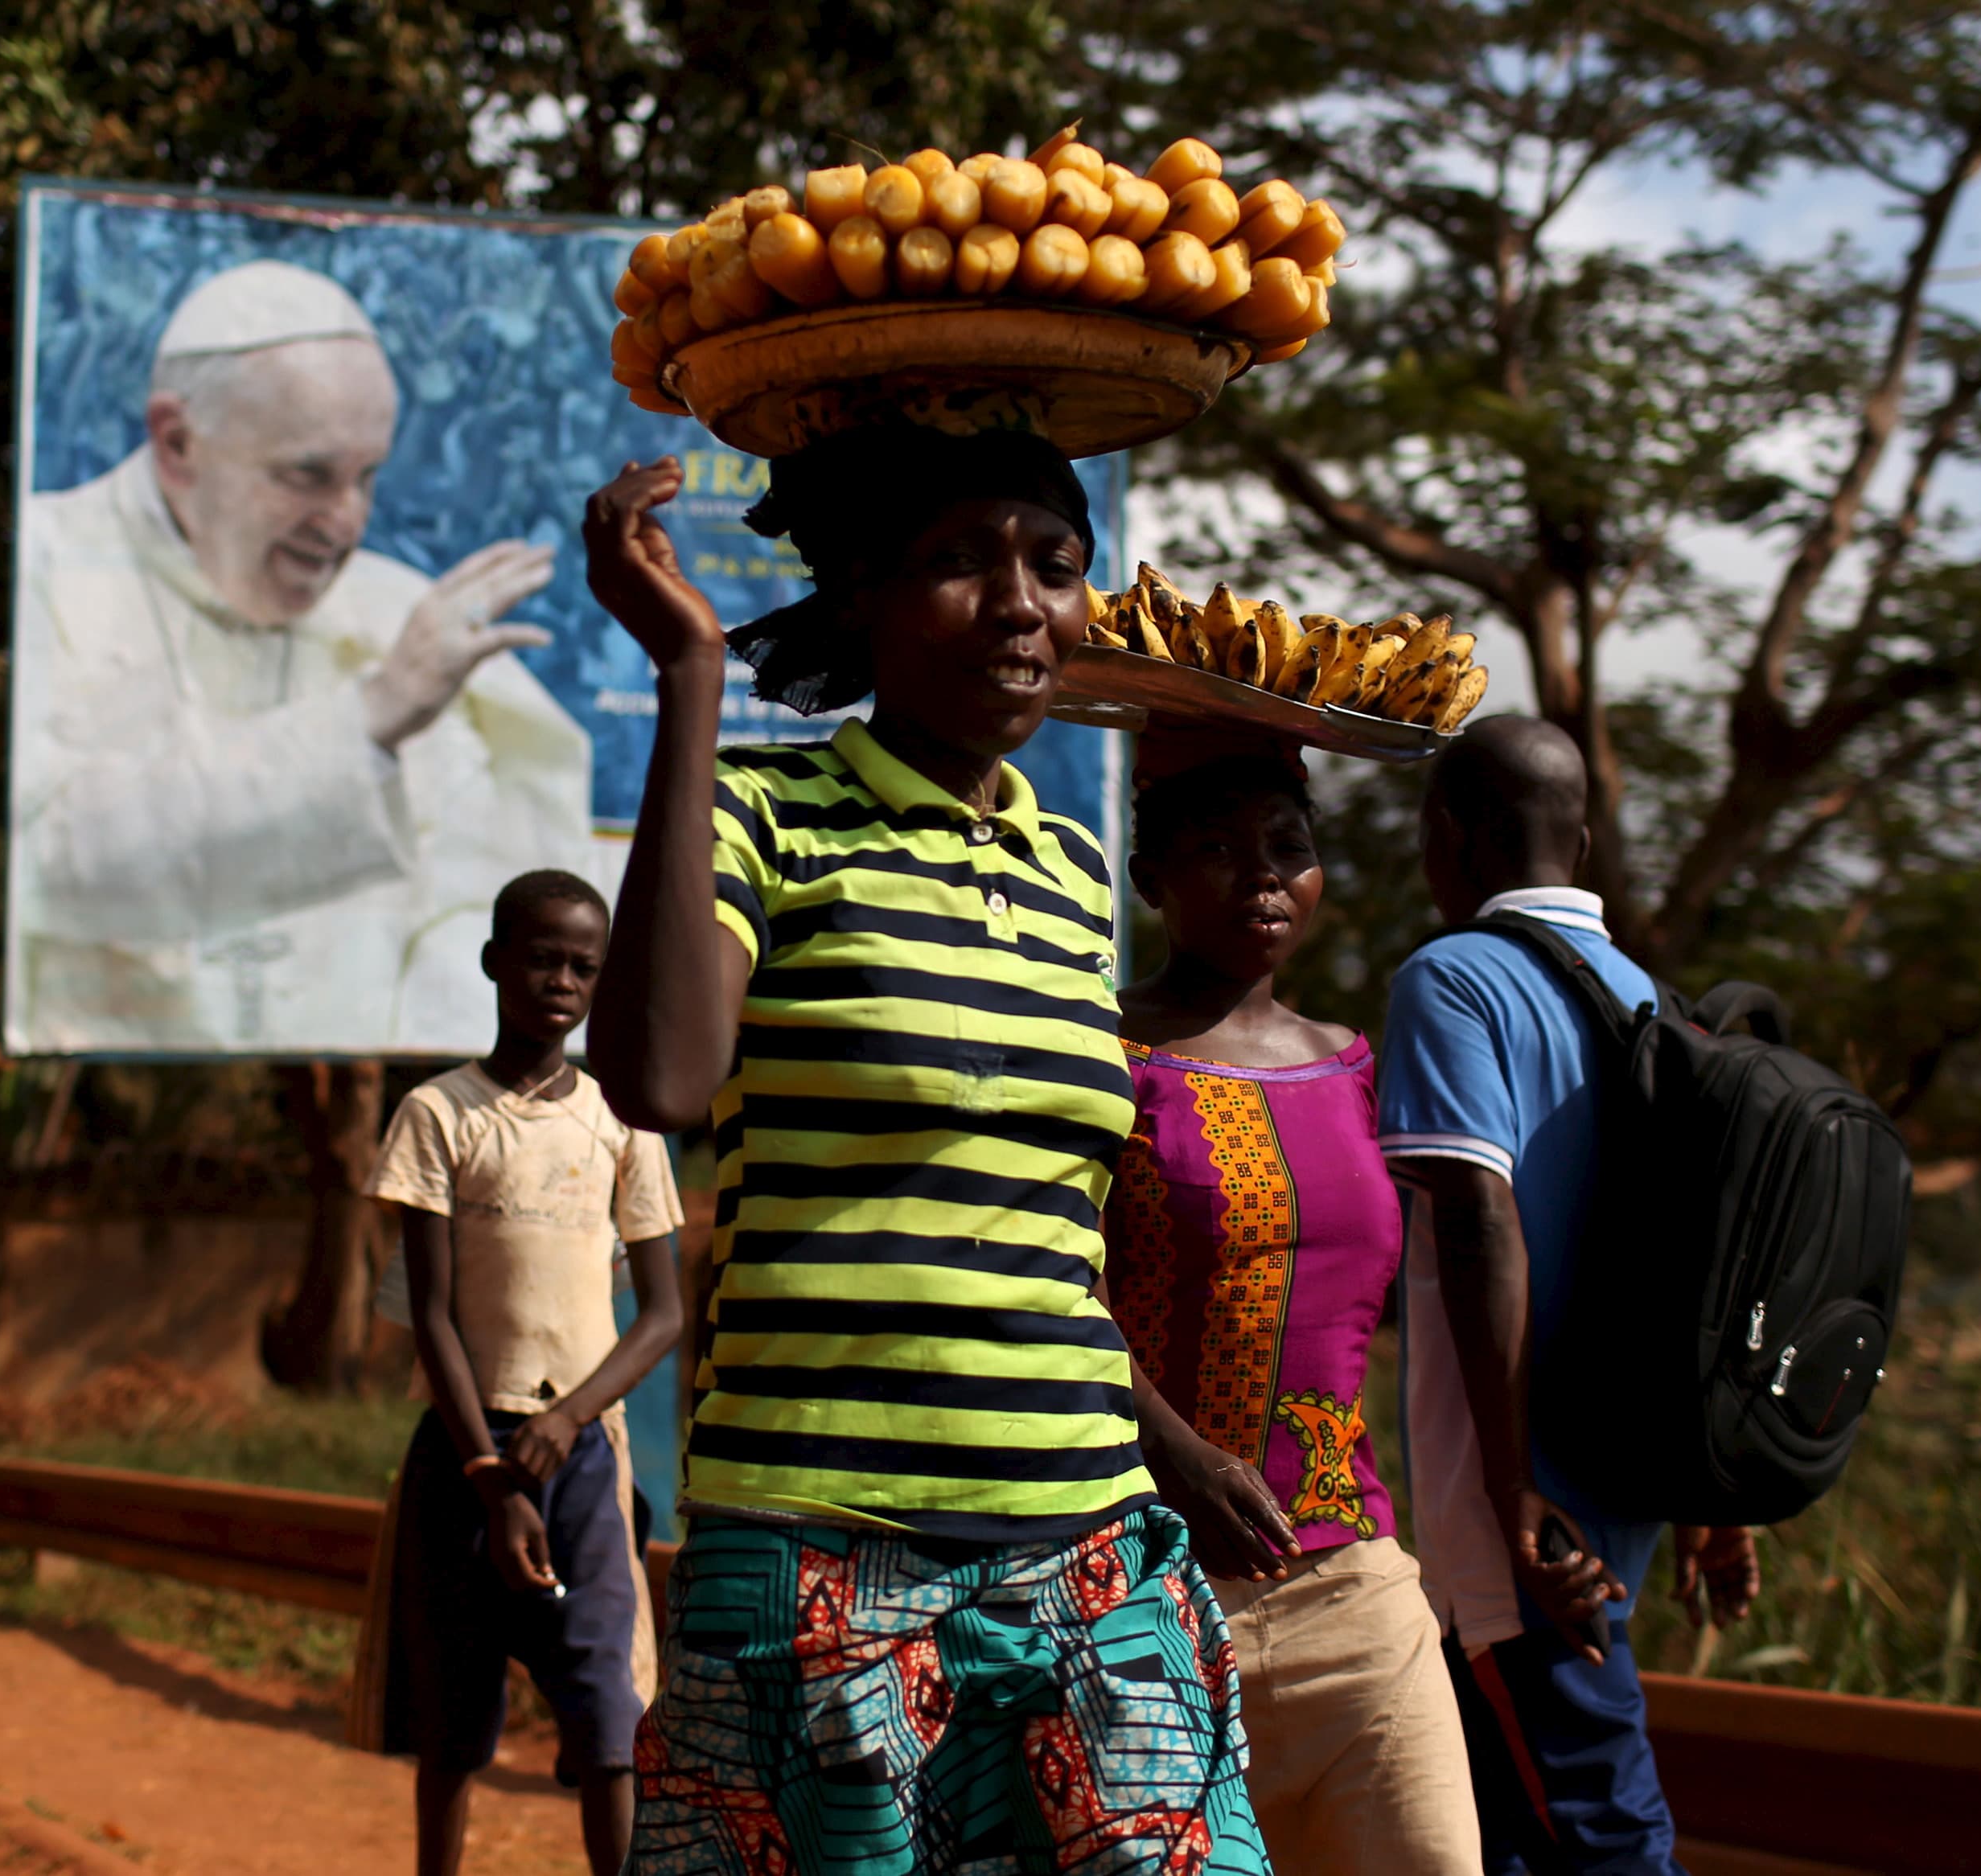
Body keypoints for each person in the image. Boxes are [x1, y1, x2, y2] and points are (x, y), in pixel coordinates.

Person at [580, 429, 1271, 1874]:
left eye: (1057, 565)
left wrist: (1170, 1446)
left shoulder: (1076, 871)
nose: (1022, 602)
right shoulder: (767, 817)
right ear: (858, 603)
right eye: (959, 560)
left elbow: (1045, 1240)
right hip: (828, 1560)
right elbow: (658, 1077)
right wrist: (690, 684)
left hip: (1091, 1550)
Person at [10, 258, 596, 1053]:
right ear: (178, 443)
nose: (344, 522)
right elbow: (48, 864)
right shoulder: (43, 565)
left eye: (366, 476)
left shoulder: (398, 611)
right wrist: (366, 720)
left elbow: (489, 893)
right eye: (307, 476)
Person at [1376, 717, 1761, 1874]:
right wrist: (1714, 1495)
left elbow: (1480, 1217)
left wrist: (1508, 1491)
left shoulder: (1452, 979)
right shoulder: (1657, 1003)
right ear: (1582, 844)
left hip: (1521, 1517)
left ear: (1451, 837)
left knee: (1606, 1836)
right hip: (1621, 1482)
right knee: (1513, 1839)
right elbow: (1701, 1263)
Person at [1107, 745, 1483, 1876]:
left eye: (1287, 847)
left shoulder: (1362, 1068)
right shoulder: (1102, 1057)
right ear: (1149, 878)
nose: (1262, 879)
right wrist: (1176, 1450)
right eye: (1216, 851)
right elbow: (1040, 1285)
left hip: (1355, 1590)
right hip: (1141, 1600)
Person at [354, 868, 686, 1876]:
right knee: (453, 1718)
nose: (560, 981)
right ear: (496, 961)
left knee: (605, 1714)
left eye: (583, 966)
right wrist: (491, 1474)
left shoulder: (621, 1122)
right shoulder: (438, 1115)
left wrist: (571, 1417)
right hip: (464, 1450)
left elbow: (665, 1311)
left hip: (583, 1454)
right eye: (540, 957)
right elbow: (434, 1315)